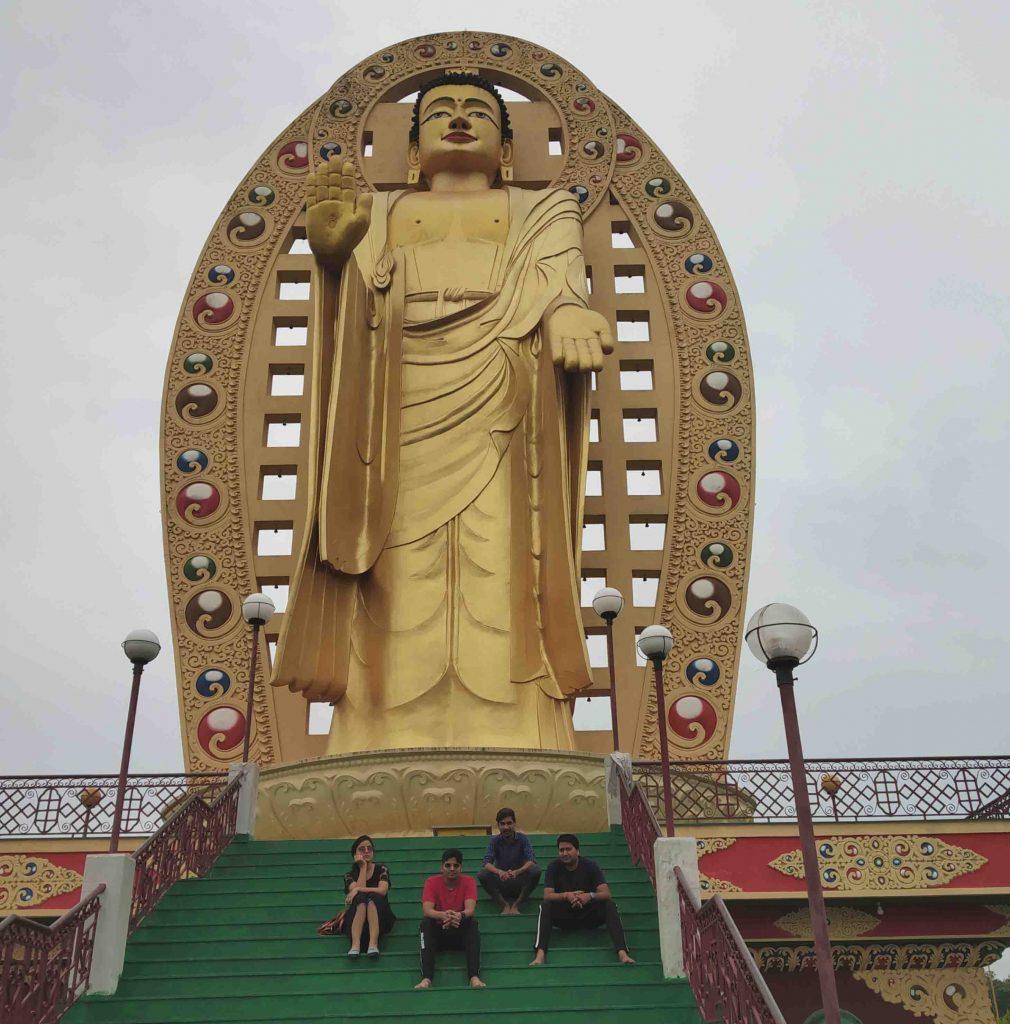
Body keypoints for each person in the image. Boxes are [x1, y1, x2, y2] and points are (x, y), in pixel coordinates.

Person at [272, 72, 613, 753]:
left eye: (478, 112)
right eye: (442, 113)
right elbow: (350, 323)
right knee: (387, 564)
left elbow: (560, 279)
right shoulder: (382, 211)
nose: (459, 120)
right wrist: (335, 262)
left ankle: (523, 738)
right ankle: (373, 739)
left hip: (503, 391)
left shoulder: (544, 210)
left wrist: (570, 310)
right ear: (414, 145)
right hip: (394, 400)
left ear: (507, 145)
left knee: (504, 557)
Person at [530, 833, 634, 966]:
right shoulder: (553, 867)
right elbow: (548, 895)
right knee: (545, 906)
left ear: (577, 851)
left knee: (609, 905)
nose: (564, 853)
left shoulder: (590, 866)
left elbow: (606, 893)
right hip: (565, 917)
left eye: (568, 849)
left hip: (588, 916)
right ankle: (540, 954)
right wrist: (567, 896)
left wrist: (589, 896)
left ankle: (622, 953)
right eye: (561, 850)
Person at [416, 848, 485, 990]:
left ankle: (474, 977)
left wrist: (459, 916)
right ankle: (426, 978)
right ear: (442, 867)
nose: (452, 869)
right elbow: (427, 909)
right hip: (439, 933)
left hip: (459, 931)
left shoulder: (469, 881)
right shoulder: (431, 882)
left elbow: (470, 909)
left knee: (472, 923)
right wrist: (444, 915)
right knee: (425, 924)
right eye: (448, 865)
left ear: (461, 867)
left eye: (456, 866)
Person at [318, 835, 396, 957]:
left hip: (380, 915)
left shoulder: (382, 869)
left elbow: (382, 890)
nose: (366, 851)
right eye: (362, 849)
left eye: (369, 848)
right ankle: (355, 945)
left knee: (372, 898)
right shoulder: (349, 875)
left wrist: (358, 888)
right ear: (355, 854)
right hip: (358, 916)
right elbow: (358, 896)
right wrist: (363, 867)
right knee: (361, 898)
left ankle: (373, 944)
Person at [478, 807, 541, 914]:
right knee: (482, 874)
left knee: (535, 870)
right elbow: (486, 863)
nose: (506, 827)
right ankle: (504, 905)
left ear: (514, 823)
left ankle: (517, 904)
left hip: (519, 880)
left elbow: (531, 860)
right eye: (502, 824)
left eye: (509, 823)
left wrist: (518, 871)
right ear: (498, 825)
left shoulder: (522, 839)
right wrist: (499, 872)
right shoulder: (495, 841)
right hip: (502, 881)